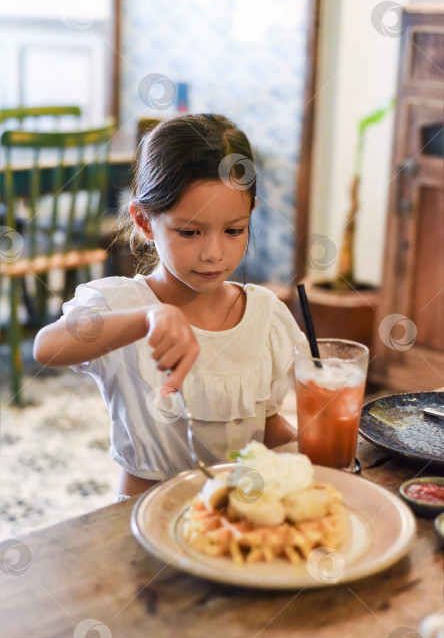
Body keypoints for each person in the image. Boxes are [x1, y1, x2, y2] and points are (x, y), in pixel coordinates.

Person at [34, 113, 306, 500]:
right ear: (144, 221)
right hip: (138, 518)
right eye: (190, 232)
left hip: (236, 524)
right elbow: (46, 347)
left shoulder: (265, 316)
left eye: (234, 230)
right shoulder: (122, 304)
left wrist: (312, 448)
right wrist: (147, 317)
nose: (214, 253)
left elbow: (263, 422)